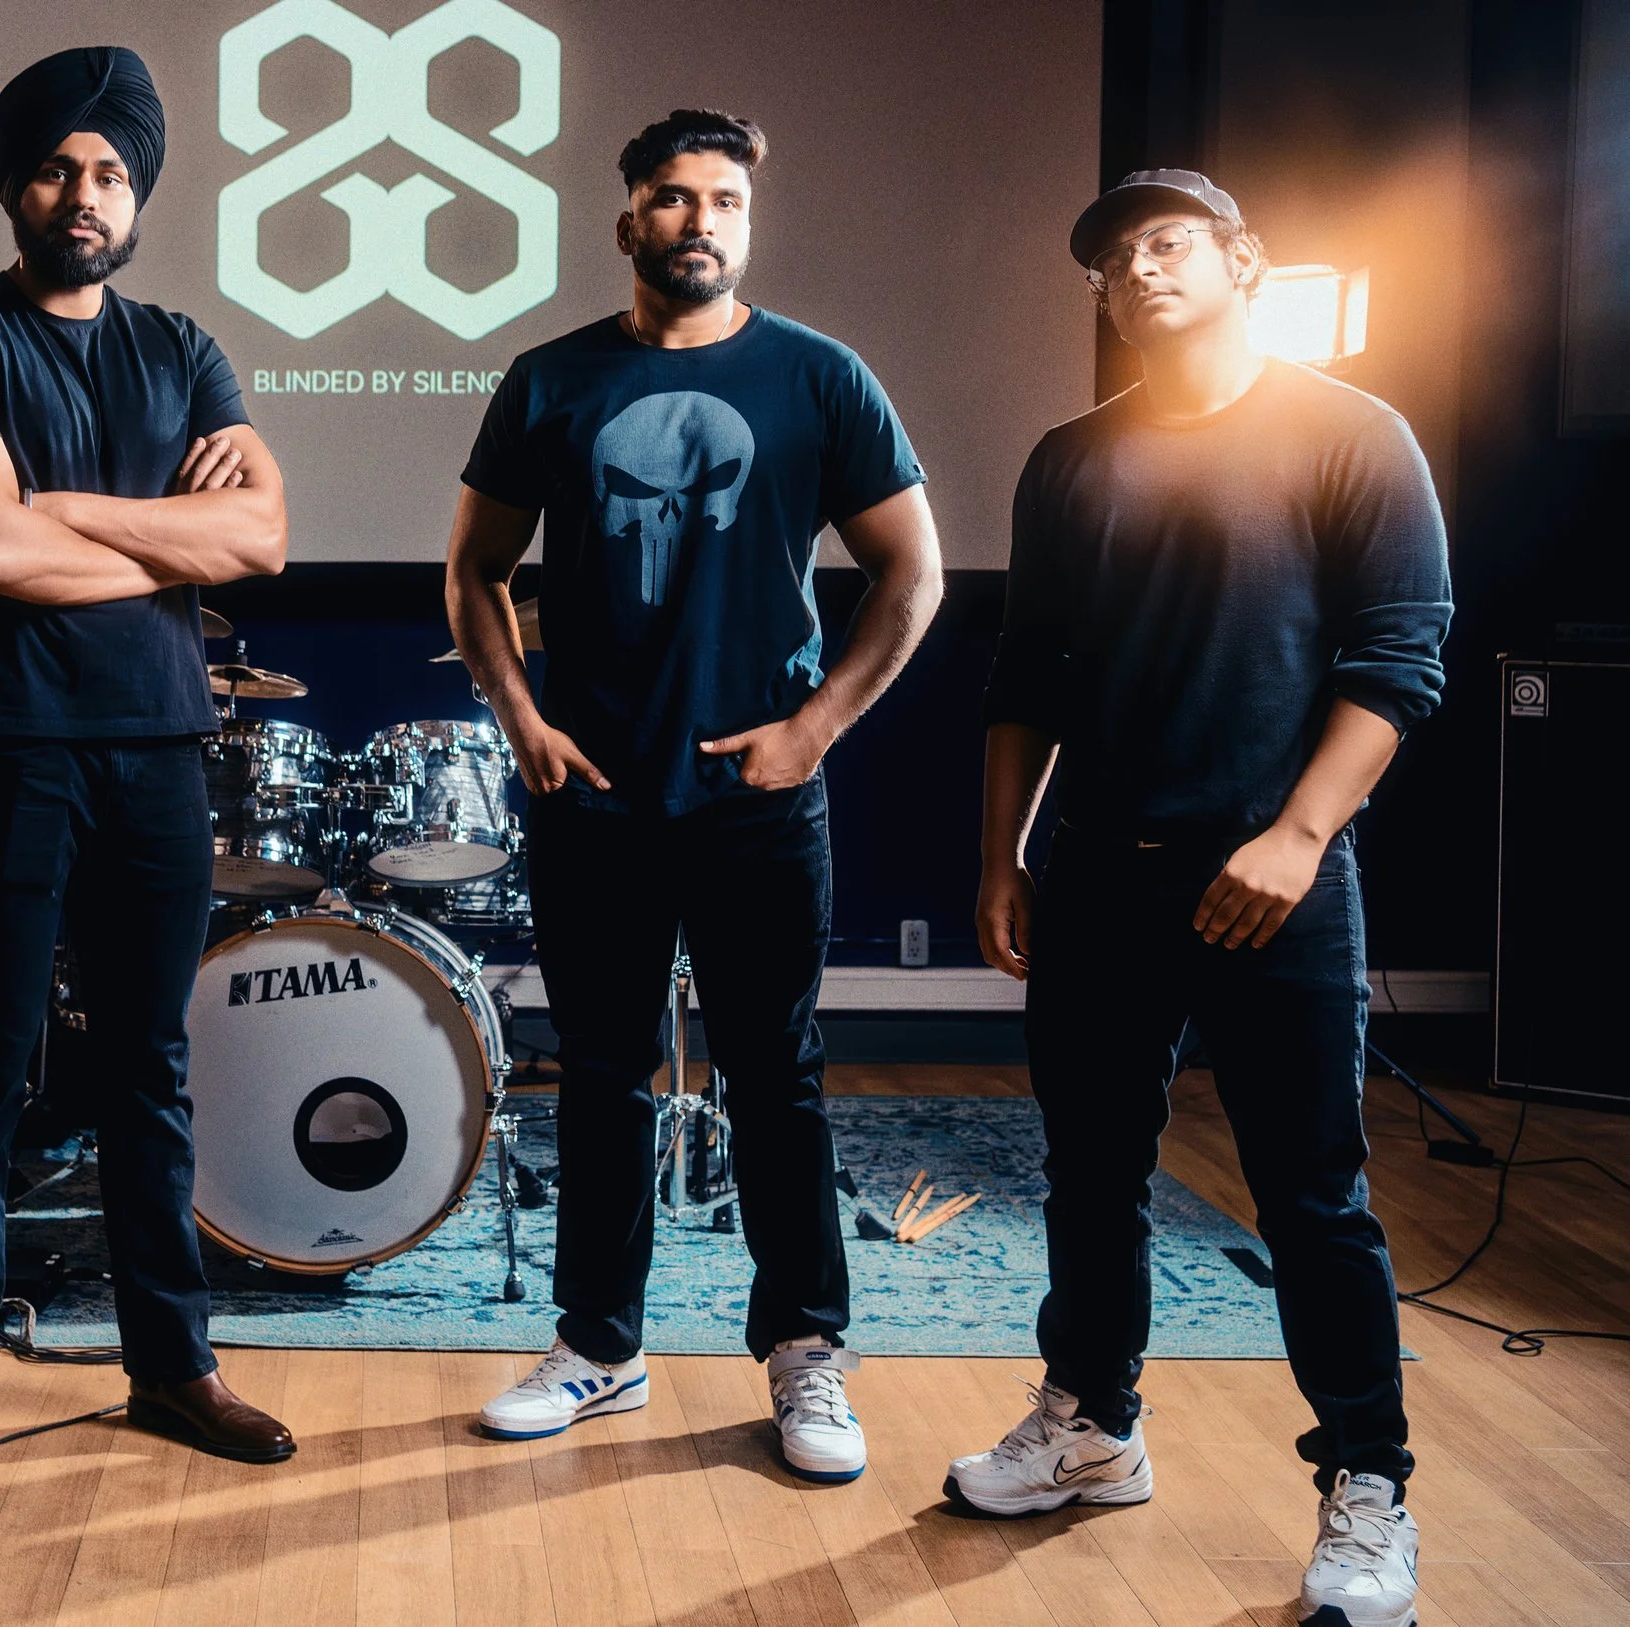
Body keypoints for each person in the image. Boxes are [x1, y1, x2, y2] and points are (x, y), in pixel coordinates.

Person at [947, 169, 1448, 1627]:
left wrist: (1297, 835)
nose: (1137, 268)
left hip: (1276, 883)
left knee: (1313, 1199)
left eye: (1167, 243)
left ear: (1242, 263)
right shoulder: (1070, 458)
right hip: (1101, 875)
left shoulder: (1356, 434)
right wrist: (1000, 856)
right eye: (1112, 257)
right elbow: (1023, 673)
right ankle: (1092, 1424)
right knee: (1092, 1175)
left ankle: (1369, 1484)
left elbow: (1400, 660)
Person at [447, 109, 943, 1481]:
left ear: (747, 221)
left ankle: (804, 1355)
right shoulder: (549, 381)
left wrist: (816, 729)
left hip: (756, 801)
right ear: (629, 223)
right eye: (672, 198)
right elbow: (472, 570)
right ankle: (599, 1347)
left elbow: (915, 574)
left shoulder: (819, 378)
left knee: (775, 1078)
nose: (700, 220)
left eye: (723, 198)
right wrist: (523, 722)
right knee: (602, 1078)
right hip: (595, 794)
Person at [0, 46, 294, 1532]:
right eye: (59, 167)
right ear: (16, 184)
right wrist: (152, 534)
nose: (85, 193)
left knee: (149, 1073)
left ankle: (170, 1365)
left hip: (160, 749)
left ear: (139, 196)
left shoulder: (185, 347)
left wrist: (63, 509)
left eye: (111, 172)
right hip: (11, 748)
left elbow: (257, 543)